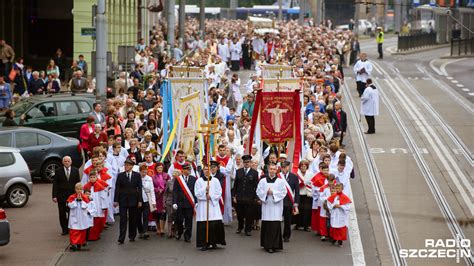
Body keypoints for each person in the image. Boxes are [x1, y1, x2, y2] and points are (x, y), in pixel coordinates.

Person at [256, 164, 287, 253]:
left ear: (276, 170)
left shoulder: (280, 181)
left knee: (275, 225)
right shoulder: (263, 181)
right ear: (268, 170)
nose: (272, 171)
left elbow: (283, 192)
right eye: (271, 169)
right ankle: (267, 245)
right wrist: (266, 193)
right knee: (267, 225)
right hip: (266, 206)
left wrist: (273, 193)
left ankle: (275, 245)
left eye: (274, 169)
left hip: (276, 206)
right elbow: (258, 191)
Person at [194, 164, 226, 251]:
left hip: (213, 205)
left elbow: (219, 192)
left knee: (213, 224)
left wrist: (211, 196)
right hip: (203, 206)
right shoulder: (199, 181)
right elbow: (196, 193)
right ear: (203, 171)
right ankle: (204, 243)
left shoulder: (215, 180)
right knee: (204, 225)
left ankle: (214, 242)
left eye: (208, 169)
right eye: (205, 169)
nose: (207, 171)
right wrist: (205, 190)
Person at [114, 158, 143, 244]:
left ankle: (132, 235)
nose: (127, 167)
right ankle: (121, 238)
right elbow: (117, 188)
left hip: (134, 200)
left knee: (132, 219)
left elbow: (140, 188)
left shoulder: (137, 175)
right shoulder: (120, 175)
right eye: (126, 165)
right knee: (123, 219)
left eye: (129, 165)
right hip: (123, 200)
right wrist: (116, 200)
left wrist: (140, 200)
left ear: (132, 166)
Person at [52, 156, 81, 235]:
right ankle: (64, 229)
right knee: (62, 213)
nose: (67, 163)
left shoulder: (75, 170)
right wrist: (54, 196)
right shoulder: (58, 171)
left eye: (68, 161)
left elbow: (78, 183)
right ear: (63, 162)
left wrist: (79, 193)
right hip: (61, 195)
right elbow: (55, 184)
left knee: (71, 211)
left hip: (72, 195)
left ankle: (70, 226)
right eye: (65, 161)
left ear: (71, 162)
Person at [232, 155, 259, 236]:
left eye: (248, 162)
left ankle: (248, 229)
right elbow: (235, 184)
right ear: (243, 163)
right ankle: (240, 227)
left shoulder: (255, 173)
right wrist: (234, 196)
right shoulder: (238, 171)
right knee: (240, 214)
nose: (246, 163)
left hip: (250, 197)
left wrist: (256, 197)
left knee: (249, 215)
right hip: (240, 197)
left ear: (250, 163)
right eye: (245, 162)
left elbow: (256, 186)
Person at [172, 163, 196, 242]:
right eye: (186, 169)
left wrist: (196, 201)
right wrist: (174, 202)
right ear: (183, 170)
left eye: (189, 169)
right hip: (180, 203)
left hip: (189, 203)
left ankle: (187, 236)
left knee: (189, 220)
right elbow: (175, 191)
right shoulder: (178, 179)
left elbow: (195, 191)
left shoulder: (193, 179)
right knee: (179, 220)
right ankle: (180, 232)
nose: (188, 171)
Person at [83, 169, 109, 241]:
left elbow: (103, 197)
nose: (92, 179)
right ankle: (90, 236)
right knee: (90, 221)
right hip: (89, 206)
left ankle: (95, 235)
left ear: (96, 177)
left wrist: (103, 207)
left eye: (94, 177)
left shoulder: (100, 186)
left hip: (98, 206)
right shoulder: (86, 186)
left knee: (97, 221)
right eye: (91, 177)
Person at [279, 161, 300, 242]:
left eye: (286, 167)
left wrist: (296, 203)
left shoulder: (294, 177)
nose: (284, 169)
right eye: (283, 167)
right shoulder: (278, 176)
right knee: (277, 220)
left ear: (289, 167)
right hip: (279, 201)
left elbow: (297, 191)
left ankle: (286, 235)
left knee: (288, 220)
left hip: (289, 202)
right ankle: (277, 235)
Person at [67, 183, 91, 251]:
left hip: (82, 217)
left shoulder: (85, 197)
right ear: (75, 190)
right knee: (74, 230)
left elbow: (86, 206)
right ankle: (73, 244)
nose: (79, 191)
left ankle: (79, 244)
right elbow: (70, 205)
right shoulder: (72, 197)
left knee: (81, 230)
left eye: (80, 189)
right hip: (74, 216)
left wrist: (81, 201)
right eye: (78, 189)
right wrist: (76, 200)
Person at [327, 183, 352, 247]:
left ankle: (340, 241)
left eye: (339, 188)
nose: (338, 190)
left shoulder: (345, 197)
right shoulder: (333, 197)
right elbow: (329, 204)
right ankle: (334, 239)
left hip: (341, 215)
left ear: (342, 189)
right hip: (335, 214)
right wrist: (333, 206)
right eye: (337, 188)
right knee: (334, 227)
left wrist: (341, 206)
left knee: (341, 228)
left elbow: (348, 207)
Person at [138, 164, 156, 240]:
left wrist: (153, 201)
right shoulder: (137, 178)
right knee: (138, 217)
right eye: (142, 172)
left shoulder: (149, 179)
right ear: (140, 171)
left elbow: (151, 190)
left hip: (146, 199)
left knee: (146, 216)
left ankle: (145, 231)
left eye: (145, 172)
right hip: (138, 200)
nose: (144, 174)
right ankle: (140, 231)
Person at [151, 162, 169, 236]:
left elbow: (169, 184)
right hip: (156, 197)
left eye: (161, 168)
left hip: (164, 196)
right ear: (156, 169)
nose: (160, 169)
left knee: (163, 212)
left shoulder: (166, 175)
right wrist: (157, 190)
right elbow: (151, 186)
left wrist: (164, 189)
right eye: (158, 168)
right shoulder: (153, 177)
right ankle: (158, 228)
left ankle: (162, 228)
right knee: (156, 213)